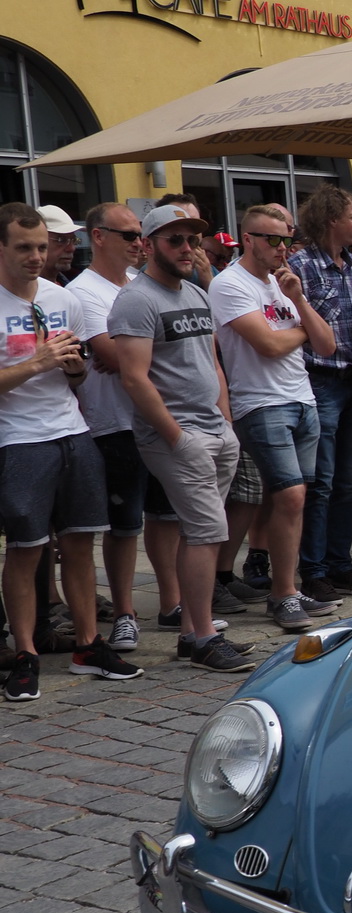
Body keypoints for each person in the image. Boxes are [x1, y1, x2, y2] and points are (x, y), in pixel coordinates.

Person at [0, 202, 140, 701]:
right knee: (26, 549)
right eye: (24, 247)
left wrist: (74, 366)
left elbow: (76, 373)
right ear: (2, 247)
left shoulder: (63, 298)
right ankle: (25, 653)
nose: (37, 256)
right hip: (17, 438)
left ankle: (87, 645)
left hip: (72, 430)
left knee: (81, 541)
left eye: (42, 246)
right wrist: (37, 362)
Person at [109, 203, 255, 673]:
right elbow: (134, 378)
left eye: (191, 239)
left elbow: (212, 363)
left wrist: (225, 423)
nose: (187, 248)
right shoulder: (136, 299)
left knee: (203, 533)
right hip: (176, 435)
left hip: (213, 429)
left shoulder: (195, 293)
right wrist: (177, 437)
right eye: (175, 240)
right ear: (148, 246)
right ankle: (206, 637)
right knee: (208, 530)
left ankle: (194, 633)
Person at [211, 204, 340, 632]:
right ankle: (282, 594)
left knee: (297, 497)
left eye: (286, 239)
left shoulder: (284, 287)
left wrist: (299, 300)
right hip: (261, 403)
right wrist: (300, 329)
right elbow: (266, 344)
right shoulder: (230, 284)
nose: (282, 248)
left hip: (302, 400)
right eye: (272, 239)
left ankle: (284, 587)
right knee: (290, 496)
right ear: (247, 239)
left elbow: (327, 345)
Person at [68, 203, 169, 656]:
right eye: (129, 235)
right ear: (99, 236)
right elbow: (113, 356)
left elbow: (171, 352)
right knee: (125, 523)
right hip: (113, 422)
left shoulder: (140, 287)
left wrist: (146, 356)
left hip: (156, 414)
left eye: (141, 236)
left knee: (169, 517)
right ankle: (126, 613)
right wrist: (149, 354)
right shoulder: (82, 292)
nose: (138, 243)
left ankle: (173, 602)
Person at [287, 185, 352, 603]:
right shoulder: (300, 266)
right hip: (320, 379)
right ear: (331, 220)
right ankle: (314, 569)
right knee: (321, 481)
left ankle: (341, 564)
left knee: (347, 481)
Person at [36, 205, 80, 286]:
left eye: (73, 240)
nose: (71, 248)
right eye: (61, 240)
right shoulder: (24, 293)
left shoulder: (71, 284)